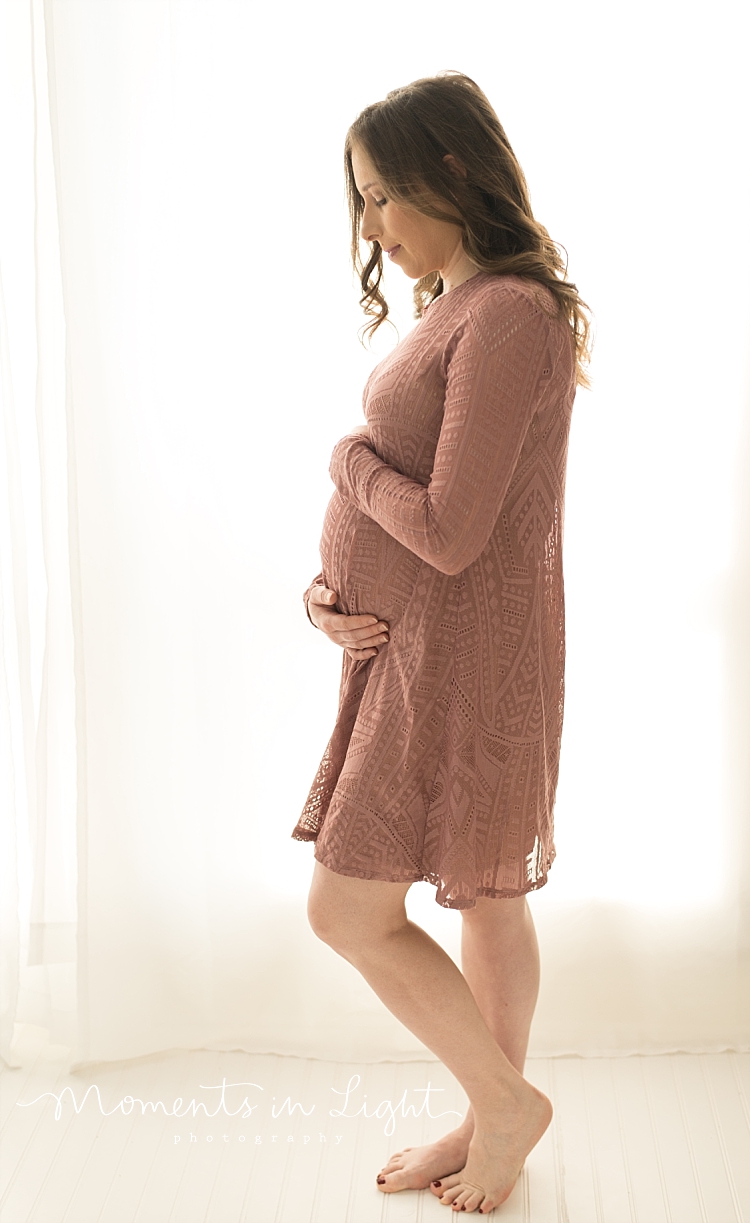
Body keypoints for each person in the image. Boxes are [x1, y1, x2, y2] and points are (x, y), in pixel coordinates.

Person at [291, 71, 591, 1215]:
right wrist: (324, 599)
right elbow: (421, 523)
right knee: (486, 896)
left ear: (451, 172)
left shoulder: (509, 311)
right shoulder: (464, 304)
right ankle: (488, 1117)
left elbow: (453, 533)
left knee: (347, 909)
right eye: (361, 202)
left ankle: (500, 1107)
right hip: (415, 653)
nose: (372, 226)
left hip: (462, 663)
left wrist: (348, 459)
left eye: (381, 196)